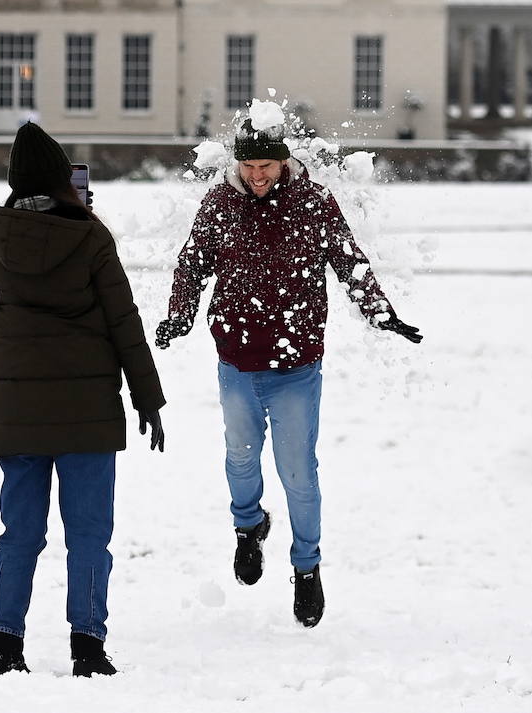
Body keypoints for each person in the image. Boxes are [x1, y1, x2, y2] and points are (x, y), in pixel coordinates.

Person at [154, 119, 421, 628]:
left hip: (297, 362)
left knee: (298, 473)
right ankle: (248, 527)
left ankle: (306, 567)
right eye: (249, 167)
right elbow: (192, 265)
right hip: (236, 358)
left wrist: (380, 312)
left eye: (266, 166)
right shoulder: (218, 205)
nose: (257, 176)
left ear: (283, 162)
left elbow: (348, 259)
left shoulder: (313, 202)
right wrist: (179, 315)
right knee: (239, 456)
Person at [0, 122, 166, 677]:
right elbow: (123, 320)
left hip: (18, 414)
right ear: (65, 182)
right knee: (88, 534)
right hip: (88, 413)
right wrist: (147, 396)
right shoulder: (90, 237)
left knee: (20, 534)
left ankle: (4, 644)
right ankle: (87, 646)